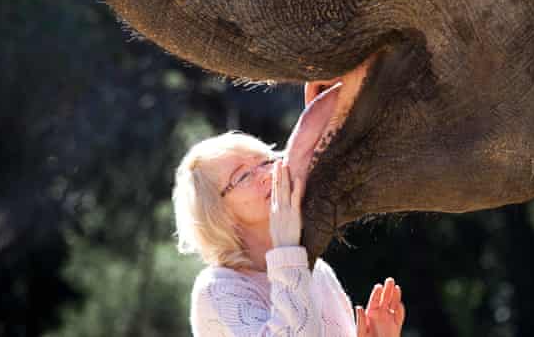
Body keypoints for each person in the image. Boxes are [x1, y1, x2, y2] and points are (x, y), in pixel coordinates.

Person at [173, 130, 405, 336]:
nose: (267, 174)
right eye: (243, 176)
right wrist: (286, 248)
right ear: (216, 214)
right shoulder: (216, 290)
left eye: (266, 161)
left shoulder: (317, 271)